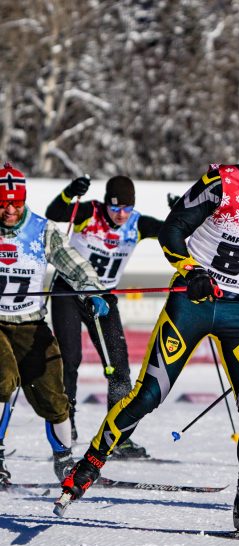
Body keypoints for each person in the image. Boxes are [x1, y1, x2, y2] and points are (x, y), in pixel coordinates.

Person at [57, 119, 239, 531]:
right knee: (149, 395)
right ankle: (89, 464)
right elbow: (172, 232)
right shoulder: (222, 184)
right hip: (193, 303)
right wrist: (190, 268)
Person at [0, 162, 108, 484]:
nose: (8, 210)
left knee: (55, 397)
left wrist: (91, 290)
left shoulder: (41, 230)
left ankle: (64, 458)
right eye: (3, 203)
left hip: (31, 323)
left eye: (15, 203)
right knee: (3, 381)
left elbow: (72, 262)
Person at [45, 175, 163, 455]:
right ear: (106, 204)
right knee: (69, 360)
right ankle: (67, 426)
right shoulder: (90, 212)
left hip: (104, 298)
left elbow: (173, 230)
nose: (121, 214)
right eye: (116, 208)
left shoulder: (137, 224)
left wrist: (181, 211)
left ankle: (118, 436)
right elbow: (55, 213)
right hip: (69, 293)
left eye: (127, 208)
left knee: (120, 368)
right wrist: (69, 192)